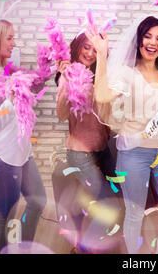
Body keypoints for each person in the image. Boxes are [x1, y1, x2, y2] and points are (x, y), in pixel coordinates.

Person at [91, 15, 158, 254]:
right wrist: (102, 55)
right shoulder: (127, 74)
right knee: (135, 215)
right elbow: (102, 96)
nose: (153, 42)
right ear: (139, 41)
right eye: (148, 36)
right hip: (134, 154)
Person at [0, 16, 47, 254]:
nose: (14, 43)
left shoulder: (5, 71)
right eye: (10, 38)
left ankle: (22, 248)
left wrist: (47, 70)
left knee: (37, 201)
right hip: (2, 157)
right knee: (4, 216)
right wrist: (13, 97)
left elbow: (27, 90)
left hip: (21, 151)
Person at [54, 28, 122, 253]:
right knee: (107, 205)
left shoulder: (102, 76)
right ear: (77, 47)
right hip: (80, 153)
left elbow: (106, 114)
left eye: (96, 49)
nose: (90, 53)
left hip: (103, 150)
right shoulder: (69, 75)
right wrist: (65, 81)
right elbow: (62, 115)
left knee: (113, 197)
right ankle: (83, 248)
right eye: (86, 47)